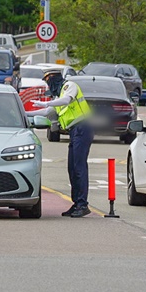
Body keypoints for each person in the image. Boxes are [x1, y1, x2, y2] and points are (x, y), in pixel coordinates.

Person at [30, 70, 94, 218]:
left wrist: (47, 101)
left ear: (55, 78)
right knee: (72, 168)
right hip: (75, 131)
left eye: (49, 80)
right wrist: (25, 113)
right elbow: (47, 112)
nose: (49, 84)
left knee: (79, 167)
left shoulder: (69, 86)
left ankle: (82, 204)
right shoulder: (59, 96)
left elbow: (66, 100)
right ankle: (77, 203)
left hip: (83, 128)